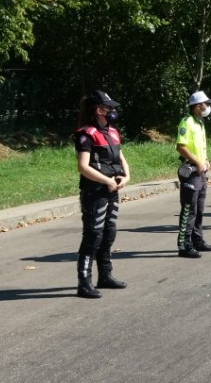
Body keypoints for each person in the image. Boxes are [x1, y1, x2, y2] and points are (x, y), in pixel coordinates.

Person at [73, 90, 131, 299]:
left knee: (109, 233)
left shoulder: (113, 132)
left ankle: (105, 275)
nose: (113, 111)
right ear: (99, 110)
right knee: (93, 236)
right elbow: (83, 166)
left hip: (112, 190)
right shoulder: (85, 134)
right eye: (109, 108)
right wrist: (106, 180)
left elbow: (121, 158)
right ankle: (84, 282)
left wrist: (126, 176)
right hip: (94, 191)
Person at [176, 91, 211, 258]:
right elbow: (181, 146)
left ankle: (197, 240)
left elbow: (199, 147)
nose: (208, 107)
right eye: (205, 104)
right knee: (189, 209)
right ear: (197, 106)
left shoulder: (200, 123)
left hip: (200, 172)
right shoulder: (187, 122)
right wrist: (198, 162)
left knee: (199, 209)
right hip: (191, 171)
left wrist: (205, 160)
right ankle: (184, 245)